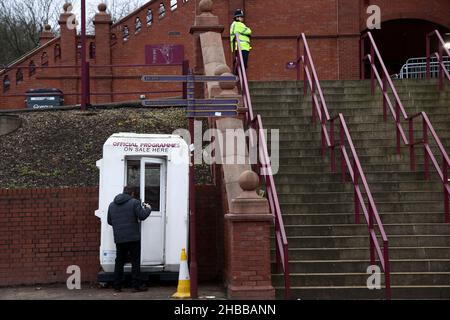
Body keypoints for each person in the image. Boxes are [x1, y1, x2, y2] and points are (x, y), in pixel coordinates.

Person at [107, 186, 152, 292]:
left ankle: (117, 286)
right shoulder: (134, 202)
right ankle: (136, 286)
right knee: (135, 261)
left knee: (119, 261)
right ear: (132, 193)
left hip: (119, 238)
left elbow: (109, 221)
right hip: (133, 237)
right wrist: (148, 209)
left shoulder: (112, 205)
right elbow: (142, 216)